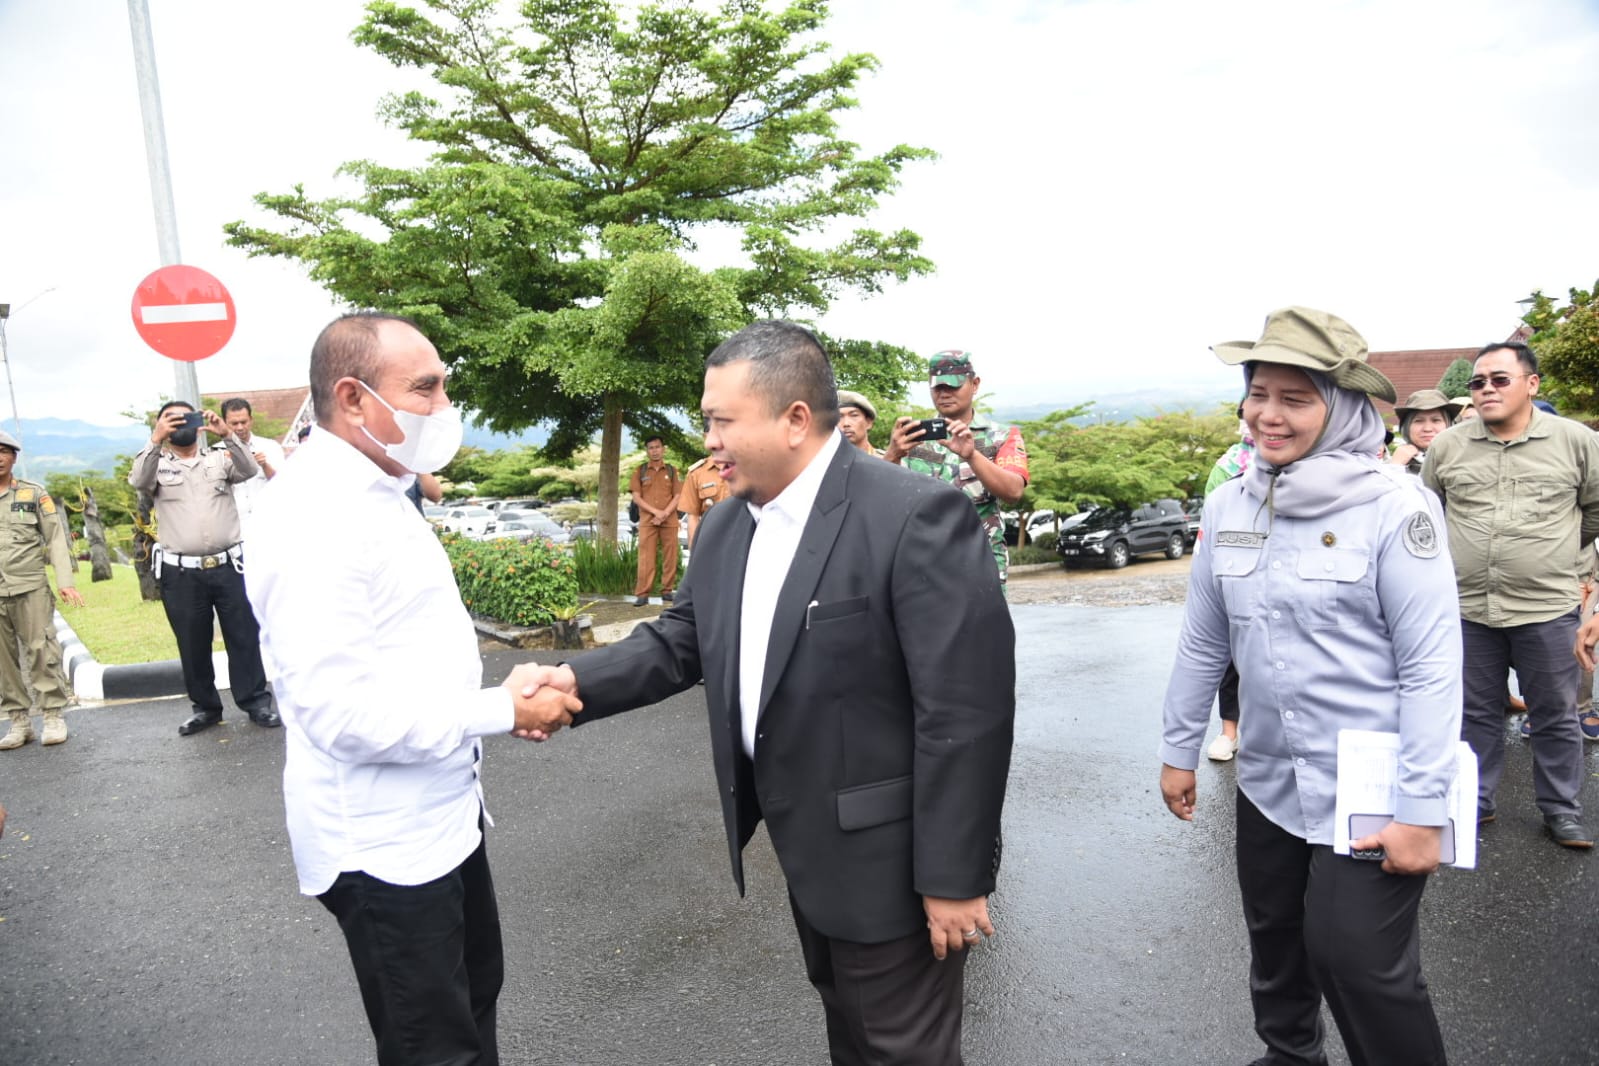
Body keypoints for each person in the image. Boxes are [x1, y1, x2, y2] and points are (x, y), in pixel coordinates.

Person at [528, 320, 1015, 1066]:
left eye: (722, 421)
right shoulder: (728, 525)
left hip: (895, 866)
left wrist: (954, 878)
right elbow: (680, 641)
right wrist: (573, 683)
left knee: (903, 1052)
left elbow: (965, 713)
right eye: (705, 421)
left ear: (793, 420)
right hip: (808, 853)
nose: (709, 441)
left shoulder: (912, 515)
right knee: (852, 1040)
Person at [244, 312, 582, 1066]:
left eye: (442, 387)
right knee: (433, 1046)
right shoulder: (314, 518)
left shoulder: (379, 491)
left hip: (443, 819)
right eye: (424, 389)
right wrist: (502, 710)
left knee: (472, 1006)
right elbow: (342, 714)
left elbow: (406, 650)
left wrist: (501, 699)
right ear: (354, 399)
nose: (442, 408)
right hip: (382, 844)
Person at [1161, 307, 1458, 1066]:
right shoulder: (1231, 502)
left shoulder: (1395, 507)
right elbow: (1204, 638)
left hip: (1369, 786)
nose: (1267, 414)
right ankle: (1290, 1056)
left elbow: (1430, 665)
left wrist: (1422, 811)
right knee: (1276, 946)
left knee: (1358, 964)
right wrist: (1179, 748)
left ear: (1344, 409)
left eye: (1295, 398)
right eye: (1258, 393)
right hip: (1266, 776)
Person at [1425, 341, 1599, 848]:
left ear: (1532, 384)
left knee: (1555, 715)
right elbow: (1428, 520)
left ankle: (1561, 810)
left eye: (1499, 379)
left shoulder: (1576, 442)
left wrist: (1568, 564)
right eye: (1477, 382)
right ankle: (1473, 803)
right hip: (1466, 609)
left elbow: (1594, 514)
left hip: (1546, 608)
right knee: (1474, 714)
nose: (1485, 389)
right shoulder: (1448, 447)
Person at [129, 402, 278, 736]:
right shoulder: (155, 465)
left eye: (186, 418)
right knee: (193, 643)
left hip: (228, 565)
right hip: (181, 573)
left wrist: (228, 436)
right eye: (172, 419)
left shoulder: (219, 458)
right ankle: (206, 708)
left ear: (198, 424)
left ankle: (256, 702)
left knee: (243, 637)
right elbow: (139, 481)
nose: (180, 424)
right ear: (161, 425)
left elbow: (249, 470)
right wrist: (156, 439)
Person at [885, 351, 1028, 586]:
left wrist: (972, 455)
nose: (944, 394)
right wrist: (892, 454)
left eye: (953, 386)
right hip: (923, 564)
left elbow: (1013, 491)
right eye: (938, 388)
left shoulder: (1002, 437)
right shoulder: (912, 438)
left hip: (980, 562)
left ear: (974, 384)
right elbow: (884, 499)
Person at [0, 429, 85, 750]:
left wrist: (65, 581)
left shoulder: (33, 494)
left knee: (40, 649)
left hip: (30, 586)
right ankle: (18, 720)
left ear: (14, 457)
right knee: (3, 660)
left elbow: (55, 538)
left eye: (3, 451)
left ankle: (51, 714)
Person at [220, 397, 286, 541]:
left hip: (268, 527)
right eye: (234, 423)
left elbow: (283, 484)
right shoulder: (216, 452)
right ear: (224, 423)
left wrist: (265, 465)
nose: (239, 427)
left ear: (251, 420)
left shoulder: (270, 447)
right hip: (235, 532)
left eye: (243, 422)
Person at [629, 435, 680, 606]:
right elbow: (636, 497)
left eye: (657, 447)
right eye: (651, 448)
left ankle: (667, 590)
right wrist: (656, 512)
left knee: (670, 556)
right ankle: (643, 594)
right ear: (647, 451)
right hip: (647, 521)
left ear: (663, 449)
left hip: (669, 519)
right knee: (646, 557)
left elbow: (678, 496)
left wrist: (664, 513)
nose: (655, 451)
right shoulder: (640, 471)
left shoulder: (672, 470)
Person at [1387, 389, 1461, 476]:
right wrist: (1395, 467)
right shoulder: (1392, 465)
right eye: (1419, 421)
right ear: (1407, 426)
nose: (1427, 428)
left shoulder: (1466, 459)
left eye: (1436, 420)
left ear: (1449, 425)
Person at [678, 456, 730, 550]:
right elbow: (693, 517)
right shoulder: (697, 473)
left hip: (743, 540)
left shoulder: (747, 468)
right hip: (711, 542)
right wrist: (695, 554)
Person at [836, 389, 882, 456]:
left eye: (854, 415)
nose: (846, 424)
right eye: (839, 417)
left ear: (869, 422)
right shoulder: (823, 464)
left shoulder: (890, 461)